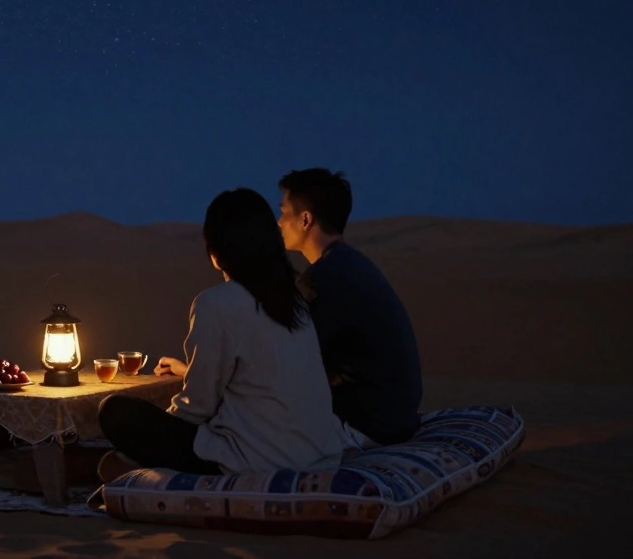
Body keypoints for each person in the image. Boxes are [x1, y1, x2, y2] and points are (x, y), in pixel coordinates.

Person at [97, 188, 353, 481]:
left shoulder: (216, 303)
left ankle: (139, 465)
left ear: (217, 252)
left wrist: (164, 431)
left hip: (260, 461)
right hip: (320, 455)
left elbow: (198, 406)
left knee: (114, 411)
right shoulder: (295, 300)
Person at [277, 168, 423, 446]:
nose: (279, 222)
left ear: (305, 219)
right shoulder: (351, 264)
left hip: (367, 425)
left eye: (284, 212)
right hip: (394, 417)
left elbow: (290, 364)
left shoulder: (322, 280)